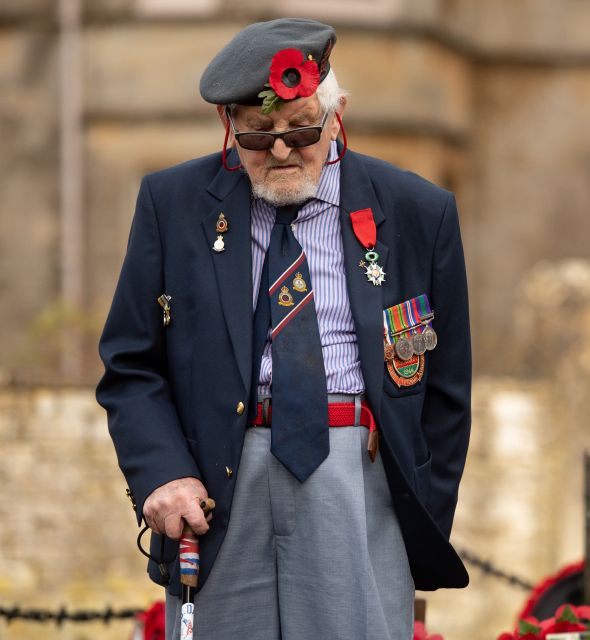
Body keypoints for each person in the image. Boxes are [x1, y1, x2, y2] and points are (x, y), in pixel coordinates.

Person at [96, 17, 471, 639]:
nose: (278, 150)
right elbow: (132, 365)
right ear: (228, 126)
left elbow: (448, 387)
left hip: (355, 476)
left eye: (300, 128)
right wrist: (162, 473)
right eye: (256, 132)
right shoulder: (173, 204)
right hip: (218, 485)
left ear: (337, 113)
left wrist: (415, 519)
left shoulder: (417, 210)